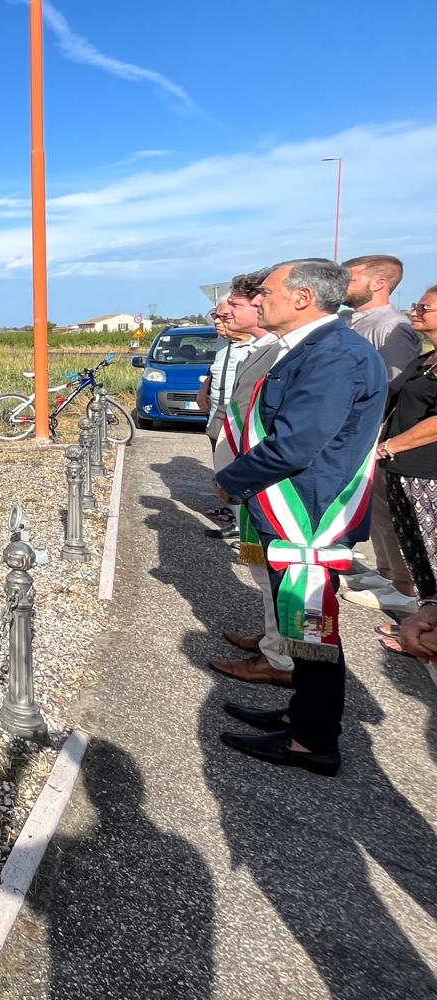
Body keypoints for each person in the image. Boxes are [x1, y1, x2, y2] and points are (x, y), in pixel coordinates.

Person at [214, 258, 387, 776]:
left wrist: (232, 480)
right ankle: (301, 715)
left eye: (266, 292)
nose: (258, 299)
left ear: (303, 297)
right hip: (295, 508)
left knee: (314, 628)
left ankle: (312, 741)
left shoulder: (335, 354)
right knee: (304, 626)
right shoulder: (317, 347)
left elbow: (297, 443)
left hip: (309, 510)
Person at [207, 272, 292, 686]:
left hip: (282, 492)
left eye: (236, 304)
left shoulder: (293, 351)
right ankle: (274, 642)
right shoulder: (262, 347)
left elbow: (292, 434)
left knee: (288, 579)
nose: (225, 311)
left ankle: (284, 661)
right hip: (254, 484)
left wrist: (239, 475)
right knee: (262, 568)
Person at [341, 253, 423, 605]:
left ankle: (404, 586)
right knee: (374, 507)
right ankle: (386, 574)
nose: (343, 285)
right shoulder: (358, 322)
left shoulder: (391, 327)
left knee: (388, 508)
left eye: (350, 278)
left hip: (379, 433)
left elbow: (400, 387)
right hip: (361, 431)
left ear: (378, 283)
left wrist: (384, 438)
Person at [377, 285, 437, 628]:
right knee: (417, 551)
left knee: (433, 550)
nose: (413, 311)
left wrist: (390, 446)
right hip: (403, 470)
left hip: (427, 473)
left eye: (423, 308)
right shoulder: (425, 359)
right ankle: (422, 625)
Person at [199, 279, 266, 538]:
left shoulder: (258, 347)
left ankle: (246, 528)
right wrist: (204, 388)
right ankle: (236, 520)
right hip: (219, 416)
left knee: (238, 471)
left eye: (224, 315)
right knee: (222, 467)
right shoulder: (224, 346)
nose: (218, 321)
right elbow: (216, 374)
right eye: (216, 316)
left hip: (240, 420)